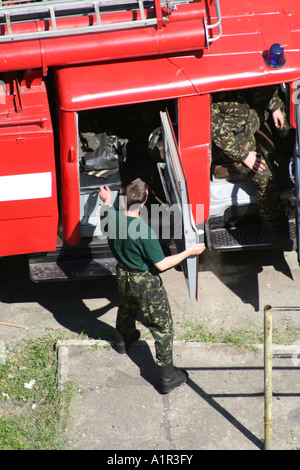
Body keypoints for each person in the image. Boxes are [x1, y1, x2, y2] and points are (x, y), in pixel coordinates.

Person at [99, 180, 205, 394]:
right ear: (144, 201)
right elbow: (161, 264)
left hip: (123, 275)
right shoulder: (143, 232)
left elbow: (104, 212)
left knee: (127, 305)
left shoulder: (112, 218)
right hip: (144, 283)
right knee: (163, 327)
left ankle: (122, 340)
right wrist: (188, 252)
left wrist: (106, 201)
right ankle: (167, 377)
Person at [211, 85, 294, 251]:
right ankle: (270, 229)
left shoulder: (237, 73)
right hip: (233, 146)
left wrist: (275, 107)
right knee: (266, 179)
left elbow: (261, 88)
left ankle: (291, 151)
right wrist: (243, 155)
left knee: (284, 117)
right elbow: (217, 133)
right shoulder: (210, 92)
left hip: (249, 120)